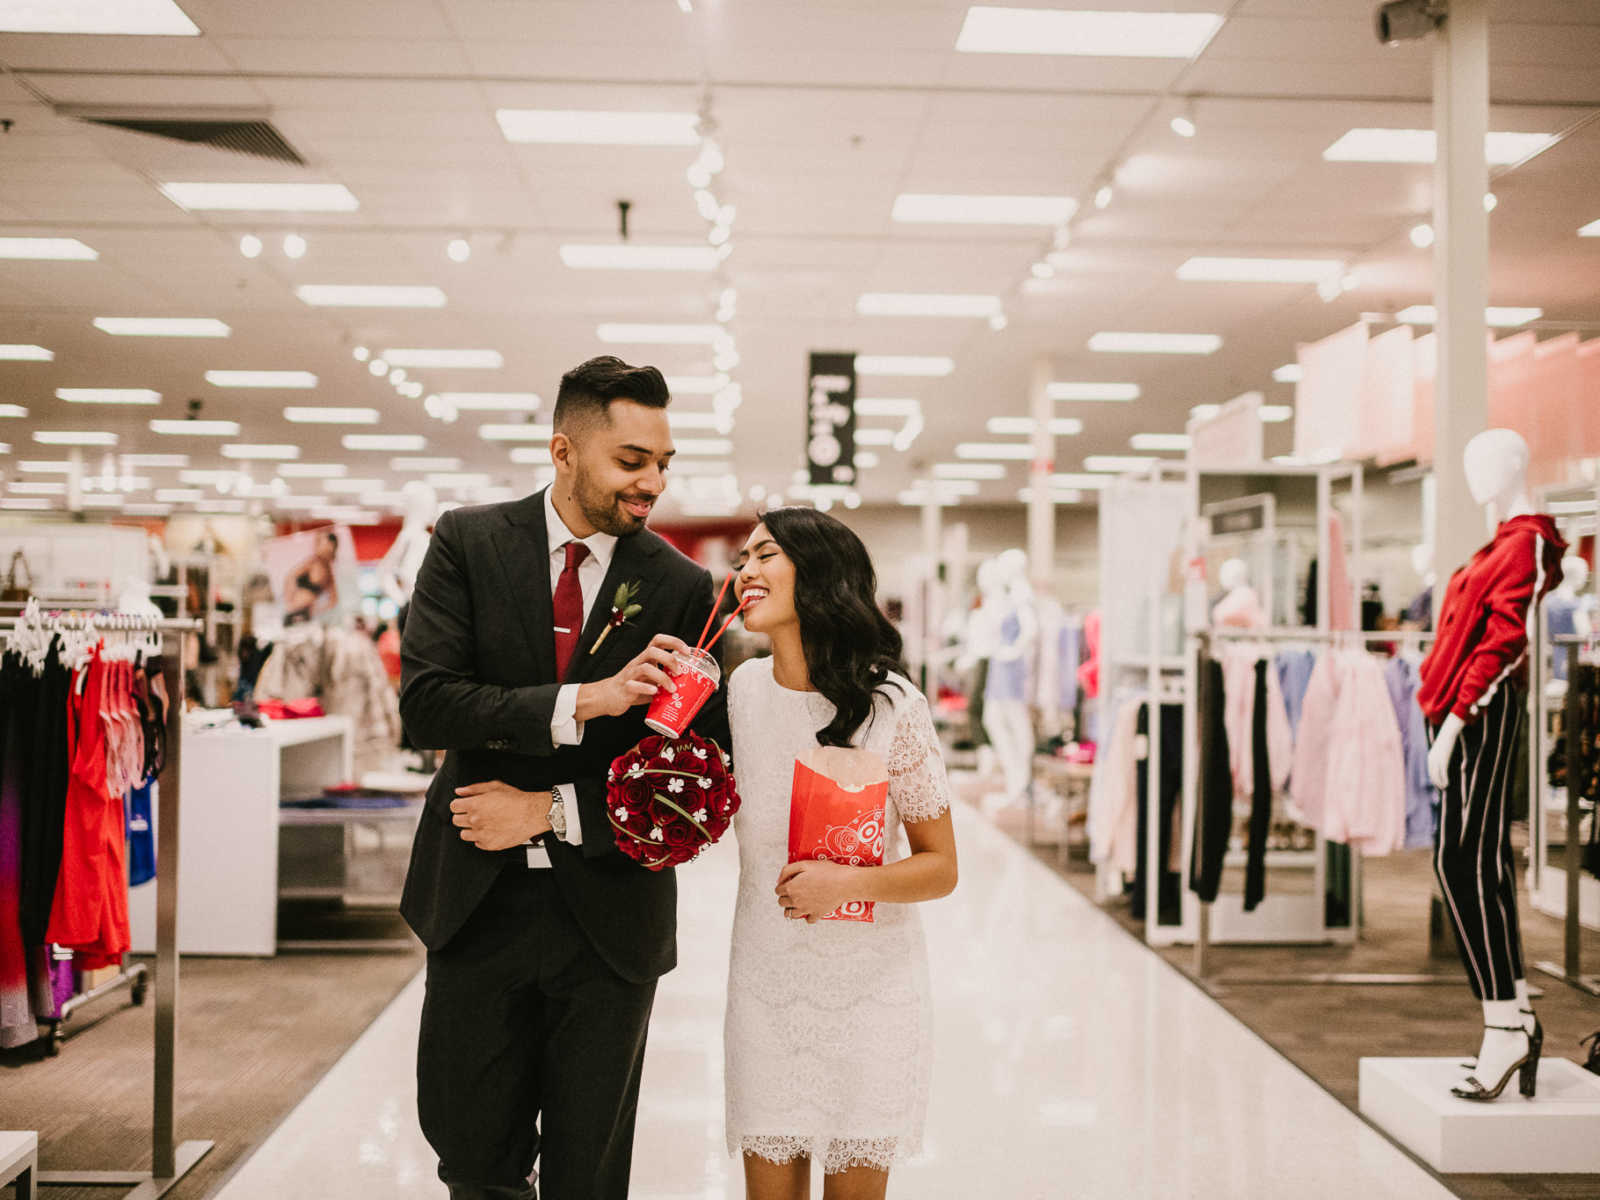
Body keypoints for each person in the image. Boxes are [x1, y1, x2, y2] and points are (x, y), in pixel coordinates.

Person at [398, 355, 730, 1199]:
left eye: (663, 462)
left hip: (610, 917)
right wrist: (587, 700)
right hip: (476, 904)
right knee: (472, 1160)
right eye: (631, 460)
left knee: (589, 1175)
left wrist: (548, 809)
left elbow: (691, 785)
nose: (652, 481)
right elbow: (429, 706)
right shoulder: (467, 543)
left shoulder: (684, 587)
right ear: (563, 451)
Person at [723, 507, 959, 1200]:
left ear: (819, 574)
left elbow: (941, 866)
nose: (746, 571)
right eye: (743, 558)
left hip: (868, 989)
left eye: (766, 554)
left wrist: (845, 885)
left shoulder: (892, 705)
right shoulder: (739, 693)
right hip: (764, 983)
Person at [282, 531, 339, 625]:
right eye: (322, 544)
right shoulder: (313, 562)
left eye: (328, 546)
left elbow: (333, 600)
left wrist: (317, 610)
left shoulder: (328, 573)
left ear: (332, 549)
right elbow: (290, 577)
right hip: (294, 609)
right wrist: (289, 599)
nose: (324, 548)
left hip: (304, 612)